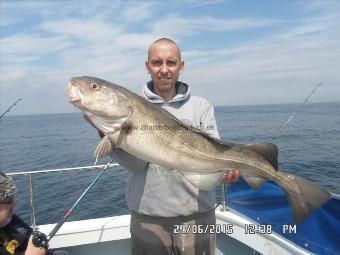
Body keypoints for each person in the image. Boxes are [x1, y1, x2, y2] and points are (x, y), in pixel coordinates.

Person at [86, 38, 240, 255]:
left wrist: (224, 173)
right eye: (157, 63)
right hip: (148, 217)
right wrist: (108, 134)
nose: (164, 69)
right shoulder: (131, 106)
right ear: (148, 67)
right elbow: (137, 166)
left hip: (197, 215)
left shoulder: (201, 107)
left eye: (171, 62)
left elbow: (212, 155)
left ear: (181, 66)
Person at [0, 172, 68, 255]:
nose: (14, 205)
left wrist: (38, 240)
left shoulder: (12, 221)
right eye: (9, 200)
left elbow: (30, 236)